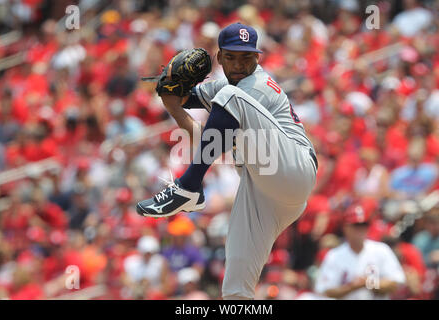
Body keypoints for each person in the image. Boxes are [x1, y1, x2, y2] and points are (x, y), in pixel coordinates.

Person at [136, 23, 317, 300]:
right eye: (231, 57)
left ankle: (188, 188)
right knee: (235, 289)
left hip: (294, 167)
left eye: (246, 58)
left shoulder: (256, 85)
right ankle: (190, 188)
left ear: (257, 59)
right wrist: (170, 97)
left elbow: (216, 132)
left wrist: (177, 98)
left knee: (231, 97)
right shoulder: (227, 88)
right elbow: (201, 130)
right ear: (219, 58)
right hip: (264, 189)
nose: (239, 64)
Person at [314, 204, 406, 299]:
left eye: (364, 225)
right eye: (356, 225)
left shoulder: (381, 249)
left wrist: (369, 283)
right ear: (346, 227)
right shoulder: (334, 255)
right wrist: (352, 287)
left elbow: (395, 283)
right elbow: (325, 291)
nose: (360, 229)